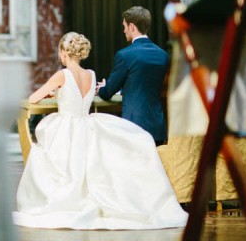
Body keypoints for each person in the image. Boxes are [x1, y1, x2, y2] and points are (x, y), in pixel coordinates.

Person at [13, 32, 187, 229]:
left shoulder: (61, 75)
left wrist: (55, 91)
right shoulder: (91, 74)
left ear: (63, 52)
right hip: (87, 125)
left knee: (48, 159)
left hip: (66, 127)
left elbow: (35, 97)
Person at [97, 6, 169, 145]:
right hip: (157, 126)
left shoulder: (124, 55)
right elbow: (144, 84)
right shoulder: (163, 55)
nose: (123, 30)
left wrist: (102, 88)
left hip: (134, 126)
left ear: (132, 27)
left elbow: (107, 93)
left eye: (124, 26)